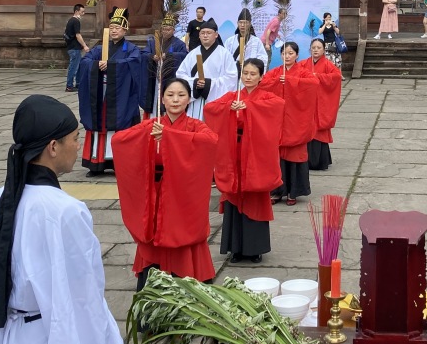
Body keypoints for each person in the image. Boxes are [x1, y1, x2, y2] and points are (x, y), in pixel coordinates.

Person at [0, 94, 125, 344]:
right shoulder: (65, 211)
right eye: (75, 138)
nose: (78, 146)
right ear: (53, 147)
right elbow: (83, 296)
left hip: (5, 336)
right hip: (44, 341)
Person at [112, 78, 218, 289]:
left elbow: (210, 141)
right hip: (155, 193)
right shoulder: (152, 125)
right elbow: (119, 140)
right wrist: (146, 137)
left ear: (189, 100)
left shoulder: (196, 125)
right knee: (154, 231)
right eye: (170, 95)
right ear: (162, 98)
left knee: (180, 231)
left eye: (181, 95)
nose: (175, 100)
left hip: (182, 195)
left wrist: (170, 137)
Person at [205, 58, 284, 264]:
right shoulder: (232, 96)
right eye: (245, 73)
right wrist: (229, 109)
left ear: (261, 76)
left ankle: (255, 248)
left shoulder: (267, 97)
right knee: (234, 198)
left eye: (253, 74)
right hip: (234, 154)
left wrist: (248, 107)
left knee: (254, 199)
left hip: (254, 156)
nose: (248, 77)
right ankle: (235, 248)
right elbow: (211, 108)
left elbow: (276, 107)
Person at [77, 7, 146, 175]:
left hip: (121, 95)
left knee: (121, 125)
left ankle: (119, 162)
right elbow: (86, 60)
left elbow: (135, 62)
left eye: (118, 28)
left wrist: (113, 65)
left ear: (125, 29)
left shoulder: (130, 48)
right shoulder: (101, 48)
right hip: (101, 93)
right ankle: (96, 162)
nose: (114, 30)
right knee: (99, 125)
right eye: (112, 28)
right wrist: (96, 65)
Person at [261, 41, 318, 206]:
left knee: (294, 156)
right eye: (284, 54)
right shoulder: (275, 73)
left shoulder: (303, 72)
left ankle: (293, 192)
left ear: (297, 55)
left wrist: (292, 81)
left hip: (296, 121)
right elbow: (263, 85)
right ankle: (277, 191)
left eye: (291, 53)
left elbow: (313, 85)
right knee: (277, 157)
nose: (287, 56)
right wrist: (278, 82)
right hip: (279, 122)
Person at [176, 20, 236, 122]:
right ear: (199, 35)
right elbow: (180, 74)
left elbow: (231, 78)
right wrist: (194, 82)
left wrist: (208, 84)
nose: (205, 36)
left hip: (215, 101)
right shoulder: (192, 54)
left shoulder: (225, 54)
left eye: (209, 33)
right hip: (195, 100)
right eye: (202, 33)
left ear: (216, 35)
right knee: (193, 125)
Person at [306, 38, 343, 170]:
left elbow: (336, 77)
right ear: (310, 49)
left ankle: (319, 162)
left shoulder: (328, 65)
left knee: (318, 131)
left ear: (323, 50)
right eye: (313, 47)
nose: (316, 50)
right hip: (307, 104)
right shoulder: (304, 64)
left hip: (321, 103)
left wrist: (318, 76)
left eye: (319, 48)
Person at [144, 14, 190, 113]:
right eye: (163, 29)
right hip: (155, 75)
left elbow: (184, 55)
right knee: (155, 96)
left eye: (168, 29)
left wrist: (169, 55)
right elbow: (144, 53)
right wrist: (153, 57)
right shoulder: (153, 42)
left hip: (170, 76)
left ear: (173, 30)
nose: (165, 32)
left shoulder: (179, 44)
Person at [224, 8, 268, 75]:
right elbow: (225, 57)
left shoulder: (256, 41)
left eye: (245, 23)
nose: (242, 25)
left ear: (250, 24)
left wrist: (251, 65)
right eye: (240, 22)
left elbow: (263, 58)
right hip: (233, 73)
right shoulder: (230, 41)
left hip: (249, 74)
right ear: (237, 23)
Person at [64, 4, 89, 93]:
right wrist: (85, 45)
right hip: (74, 47)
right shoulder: (75, 21)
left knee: (78, 67)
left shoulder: (70, 20)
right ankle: (69, 86)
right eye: (82, 12)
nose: (83, 14)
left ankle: (78, 84)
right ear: (76, 11)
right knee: (74, 67)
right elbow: (78, 35)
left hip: (73, 46)